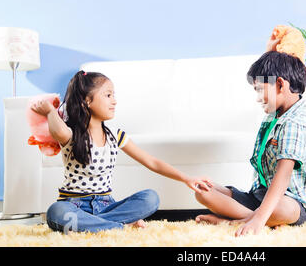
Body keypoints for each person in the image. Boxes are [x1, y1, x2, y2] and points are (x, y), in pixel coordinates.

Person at [31, 70, 212, 233]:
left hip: (106, 205)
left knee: (151, 198)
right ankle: (119, 226)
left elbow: (152, 162)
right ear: (87, 101)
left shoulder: (115, 136)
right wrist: (49, 112)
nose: (114, 101)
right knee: (56, 211)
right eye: (108, 95)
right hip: (73, 206)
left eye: (113, 95)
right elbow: (58, 131)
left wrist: (187, 178)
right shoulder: (71, 134)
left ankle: (94, 225)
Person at [194, 36, 306, 236]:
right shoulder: (274, 114)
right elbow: (274, 67)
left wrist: (259, 219)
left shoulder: (295, 122)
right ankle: (258, 218)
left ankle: (240, 221)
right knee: (203, 194)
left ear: (280, 85)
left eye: (260, 90)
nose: (259, 98)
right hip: (259, 197)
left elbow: (283, 178)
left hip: (291, 203)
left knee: (278, 208)